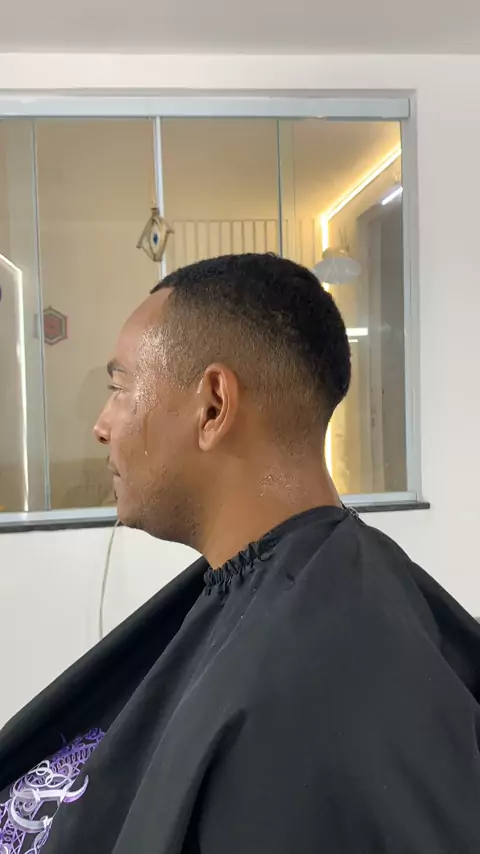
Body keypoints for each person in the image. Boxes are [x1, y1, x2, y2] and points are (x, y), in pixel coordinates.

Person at [1, 253, 480, 854]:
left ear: (213, 407)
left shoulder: (311, 695)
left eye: (120, 388)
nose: (102, 426)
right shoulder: (303, 594)